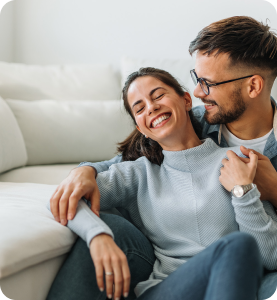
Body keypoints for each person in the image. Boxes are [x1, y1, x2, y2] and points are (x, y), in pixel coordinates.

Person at [48, 16, 277, 300]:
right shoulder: (142, 170)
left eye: (207, 83)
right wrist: (96, 227)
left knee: (241, 249)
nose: (198, 92)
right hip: (167, 290)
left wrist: (251, 191)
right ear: (138, 126)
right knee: (112, 226)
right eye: (139, 108)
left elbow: (270, 256)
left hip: (241, 279)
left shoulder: (239, 165)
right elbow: (74, 195)